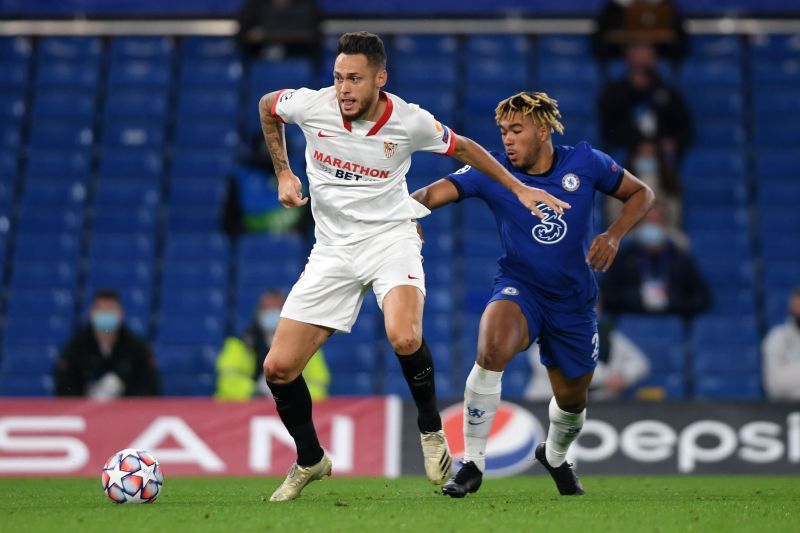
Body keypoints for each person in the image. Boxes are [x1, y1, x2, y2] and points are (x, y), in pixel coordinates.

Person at [257, 32, 569, 501]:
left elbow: (465, 149)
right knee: (278, 368)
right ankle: (310, 458)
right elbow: (267, 104)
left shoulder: (409, 121)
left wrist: (519, 189)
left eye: (355, 79)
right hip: (332, 250)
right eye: (339, 77)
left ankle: (430, 430)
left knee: (404, 335)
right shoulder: (310, 105)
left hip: (390, 238)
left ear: (380, 79)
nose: (343, 88)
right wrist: (282, 169)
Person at [411, 91, 654, 497]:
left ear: (543, 131)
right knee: (491, 350)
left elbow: (641, 193)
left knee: (573, 401)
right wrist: (412, 215)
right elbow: (427, 195)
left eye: (516, 130)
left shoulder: (586, 162)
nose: (507, 139)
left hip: (574, 302)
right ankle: (472, 463)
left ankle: (556, 456)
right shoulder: (492, 171)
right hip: (520, 287)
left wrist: (614, 235)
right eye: (503, 131)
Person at [215, 289, 329, 401]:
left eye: (276, 309)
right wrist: (257, 393)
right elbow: (227, 379)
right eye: (266, 309)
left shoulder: (306, 345)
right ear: (258, 312)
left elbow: (318, 383)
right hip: (243, 410)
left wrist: (289, 396)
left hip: (292, 410)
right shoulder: (239, 343)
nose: (271, 313)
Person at [601, 200, 709, 317]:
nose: (652, 227)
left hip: (672, 321)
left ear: (666, 225)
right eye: (648, 222)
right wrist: (637, 297)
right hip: (632, 322)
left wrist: (672, 300)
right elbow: (606, 295)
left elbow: (702, 299)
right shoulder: (624, 257)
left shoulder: (681, 259)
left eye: (656, 221)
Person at [526, 302, 650, 401]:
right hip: (547, 404)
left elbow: (641, 363)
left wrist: (624, 377)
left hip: (599, 406)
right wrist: (607, 377)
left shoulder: (608, 335)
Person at [598, 42, 692, 170]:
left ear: (655, 59)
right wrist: (637, 145)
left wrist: (672, 143)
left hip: (661, 160)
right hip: (627, 158)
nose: (641, 57)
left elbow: (684, 128)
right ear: (627, 57)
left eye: (646, 51)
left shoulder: (668, 93)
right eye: (636, 51)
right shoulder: (614, 92)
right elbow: (609, 126)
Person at [54, 289, 159, 398]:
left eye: (110, 309)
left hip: (128, 411)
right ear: (91, 313)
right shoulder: (76, 347)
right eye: (101, 309)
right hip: (87, 410)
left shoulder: (138, 348)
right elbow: (64, 387)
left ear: (121, 313)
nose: (105, 314)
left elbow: (149, 387)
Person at [761, 287, 800, 401]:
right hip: (782, 410)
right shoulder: (777, 337)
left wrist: (790, 371)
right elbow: (774, 384)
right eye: (797, 305)